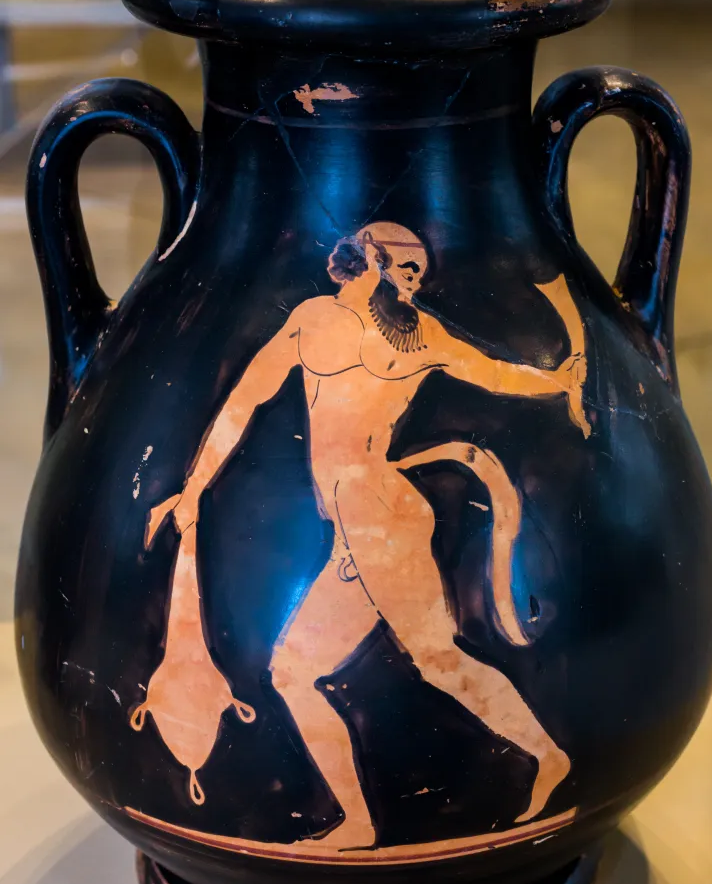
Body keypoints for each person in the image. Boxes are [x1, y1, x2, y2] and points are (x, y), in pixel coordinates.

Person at [141, 221, 590, 848]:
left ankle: (546, 756)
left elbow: (494, 373)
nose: (415, 282)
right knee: (296, 670)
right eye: (405, 268)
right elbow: (243, 401)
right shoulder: (316, 321)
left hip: (380, 514)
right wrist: (193, 489)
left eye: (419, 273)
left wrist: (559, 379)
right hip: (360, 522)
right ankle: (359, 821)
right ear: (371, 258)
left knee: (435, 661)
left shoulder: (420, 334)